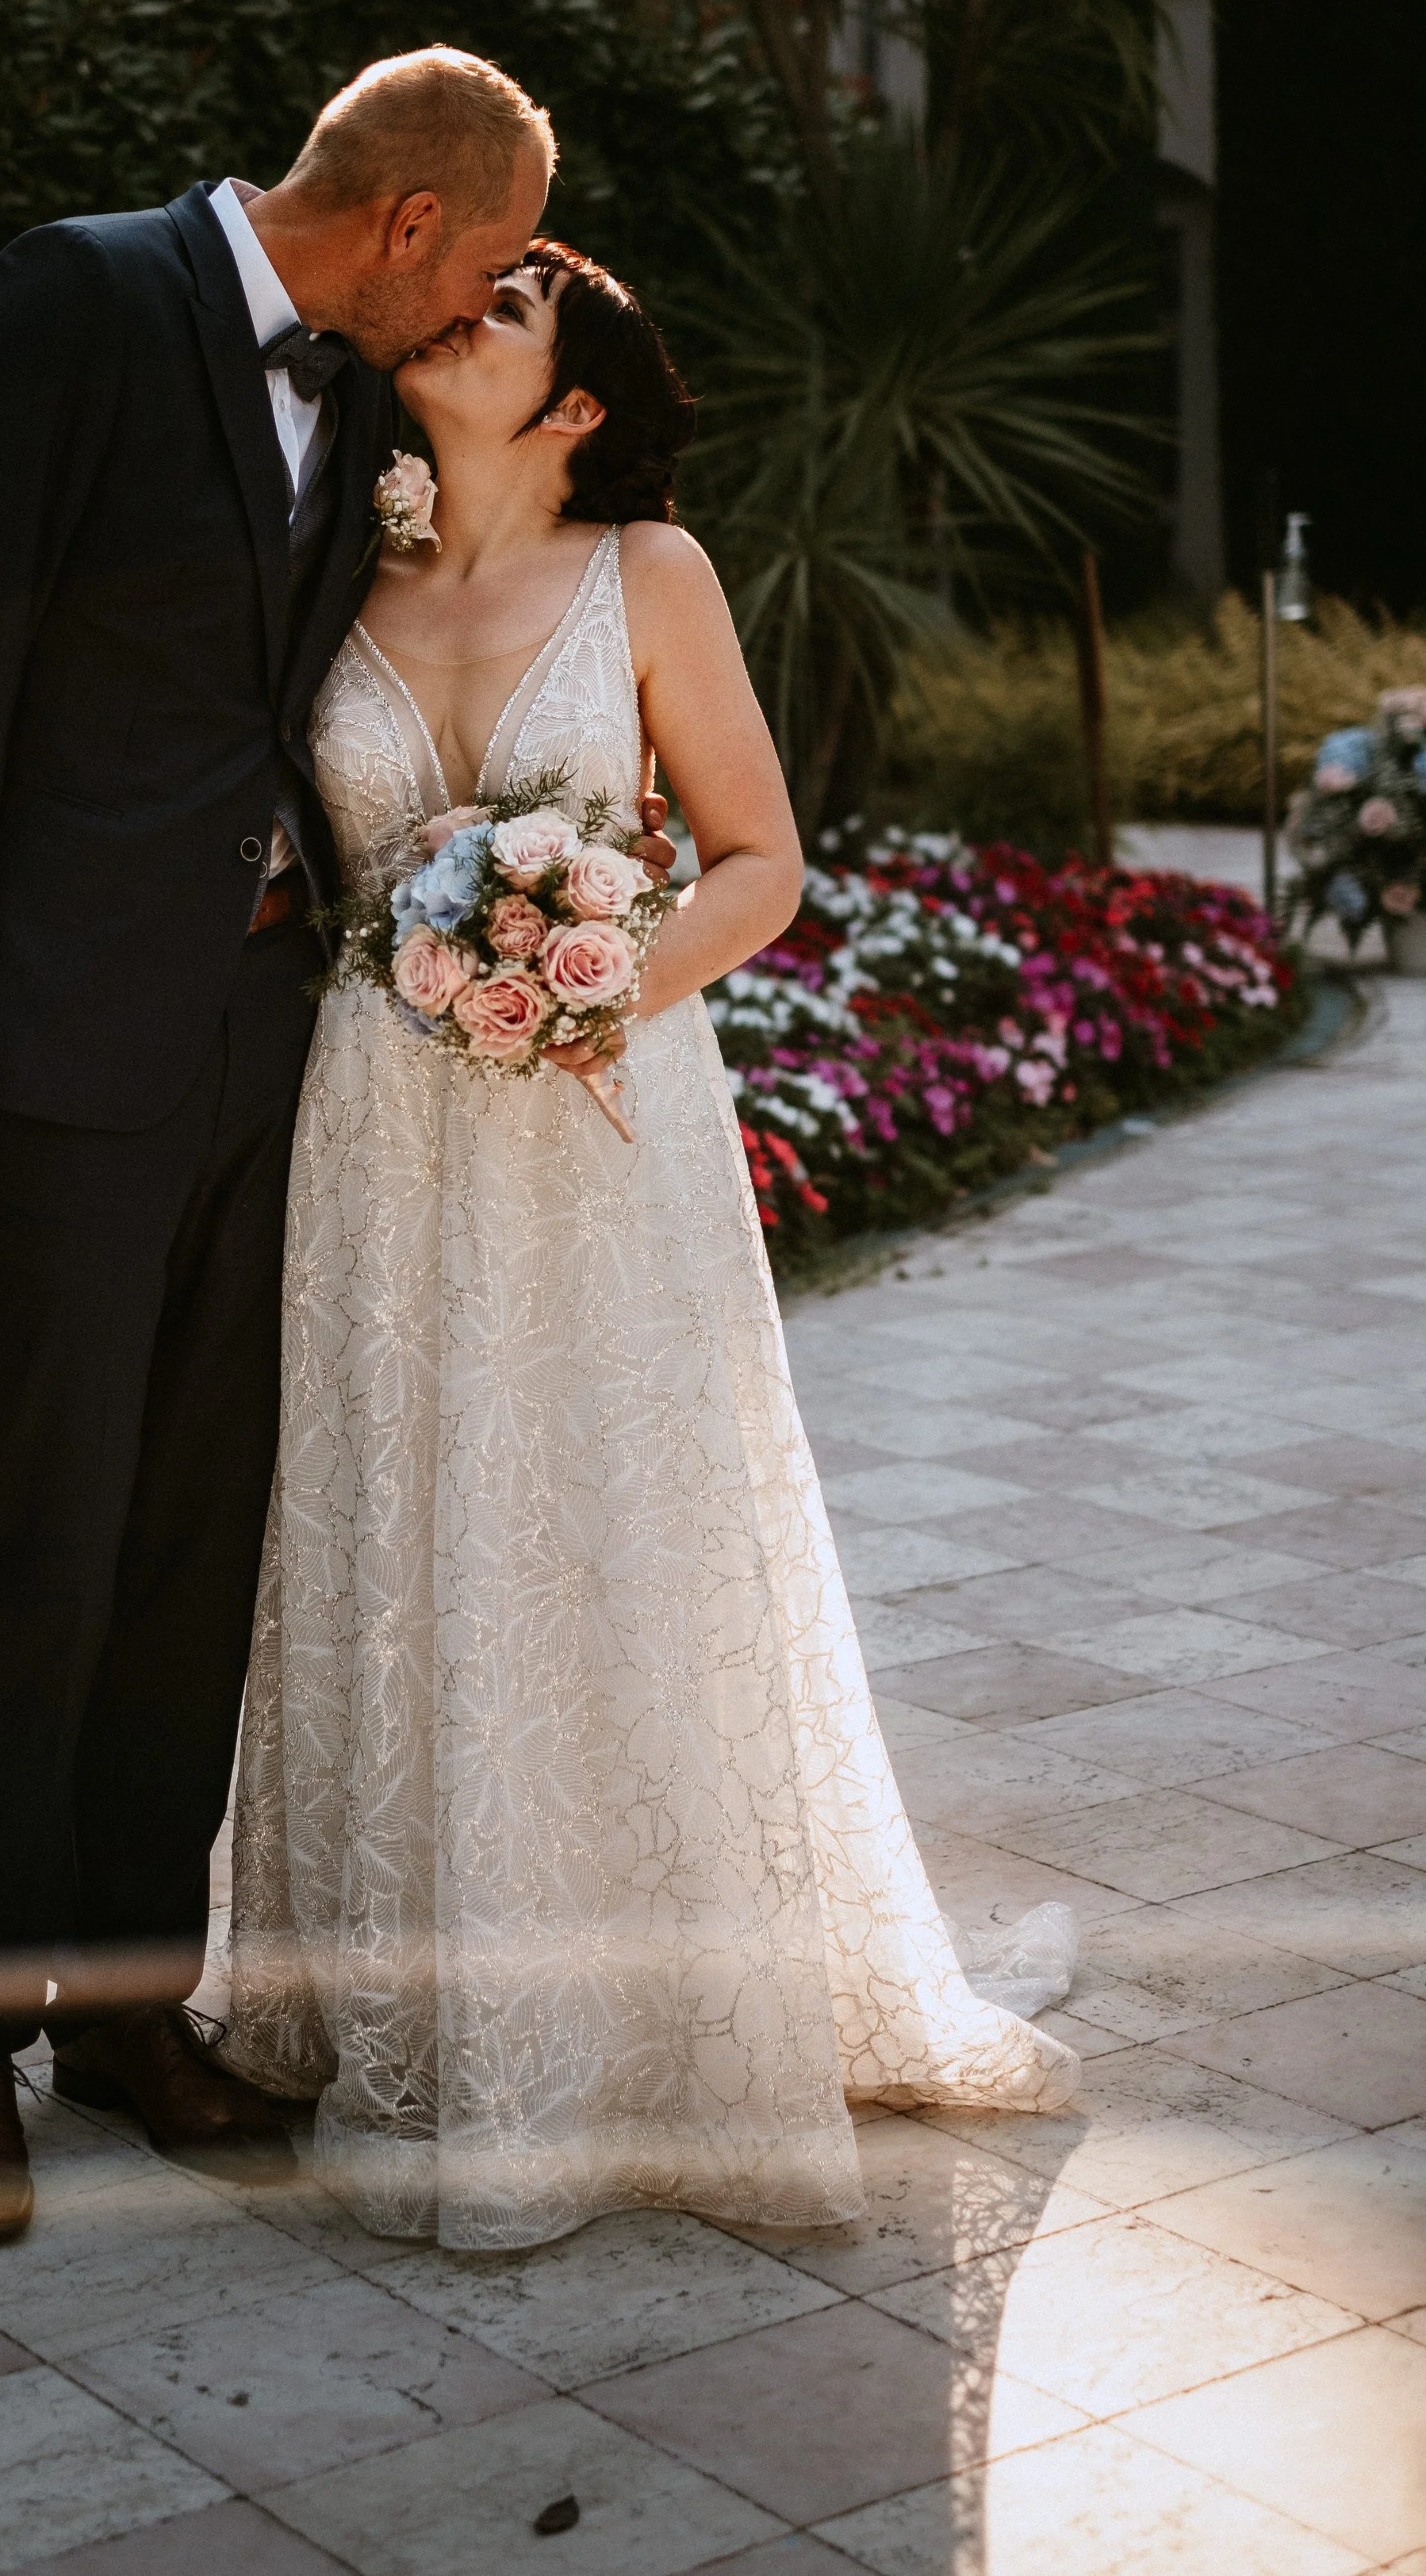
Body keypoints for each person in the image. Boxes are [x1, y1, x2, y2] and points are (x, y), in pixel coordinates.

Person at [220, 243, 1079, 2251]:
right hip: (373, 1123)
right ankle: (406, 2011)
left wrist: (593, 980)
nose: (453, 310)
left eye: (507, 308)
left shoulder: (651, 574)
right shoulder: (328, 563)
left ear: (576, 401)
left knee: (618, 1516)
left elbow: (762, 860)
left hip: (599, 1120)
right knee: (396, 1522)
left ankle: (658, 2023)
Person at [0, 49, 600, 2241]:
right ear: (408, 230)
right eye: (478, 270)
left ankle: (129, 2006)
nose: (468, 316)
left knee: (197, 1540)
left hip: (281, 1042)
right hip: (61, 1049)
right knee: (54, 1530)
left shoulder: (366, 401)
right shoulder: (71, 302)